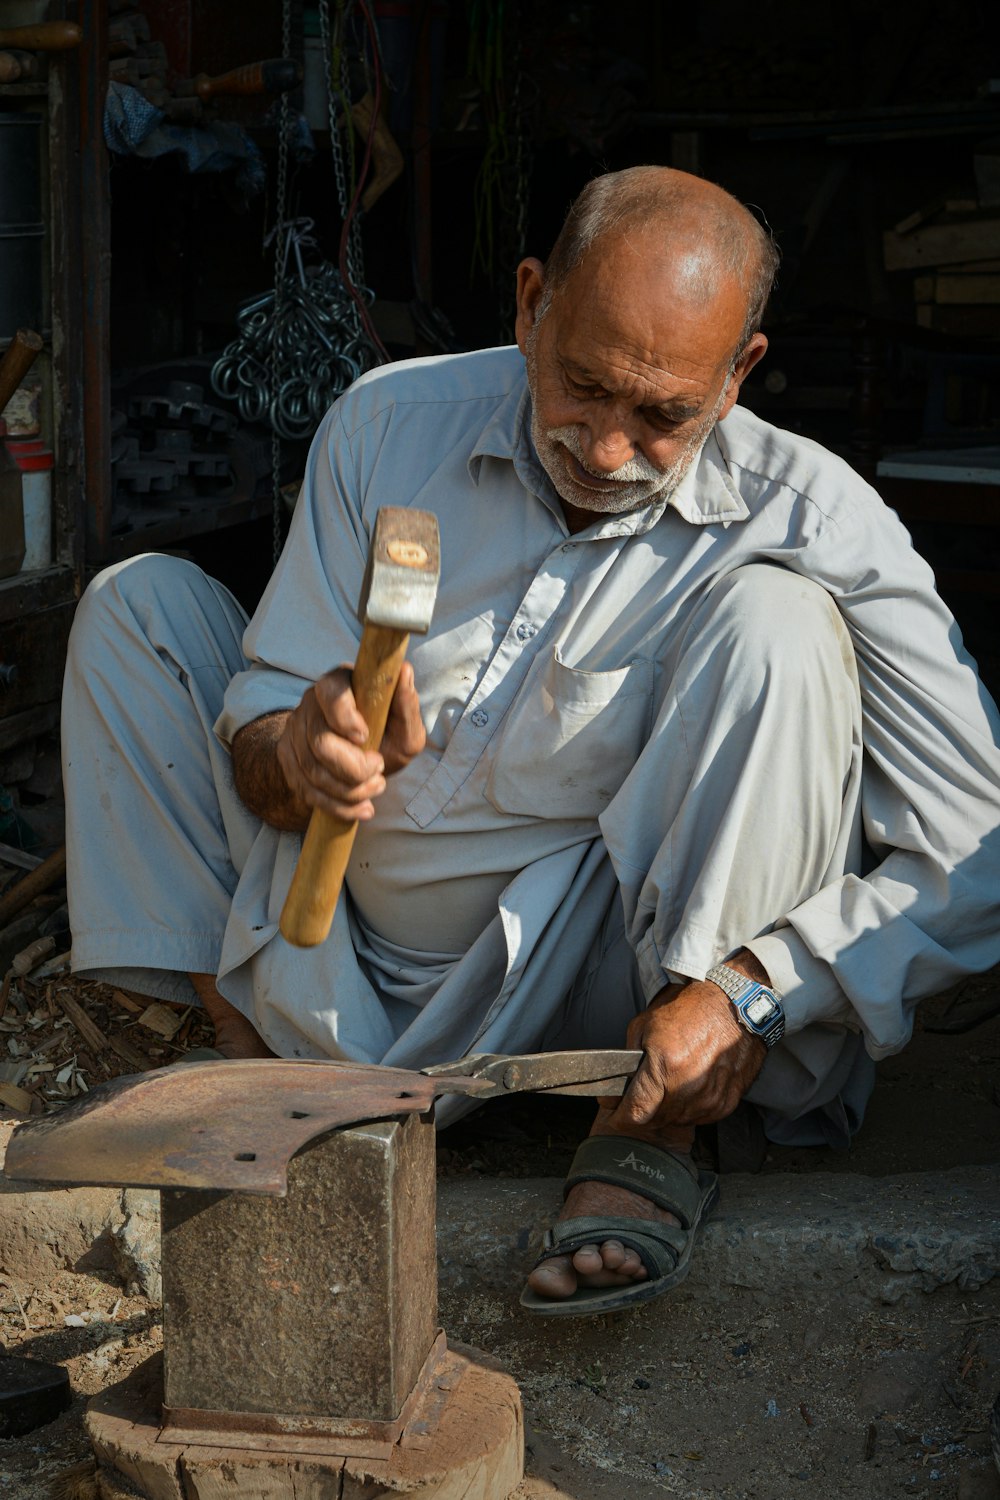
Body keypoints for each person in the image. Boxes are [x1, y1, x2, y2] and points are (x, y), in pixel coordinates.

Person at [62, 166, 1000, 1316]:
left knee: (781, 625)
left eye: (663, 415)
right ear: (526, 306)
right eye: (583, 387)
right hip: (334, 944)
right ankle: (244, 1043)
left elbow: (976, 855)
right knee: (136, 607)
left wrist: (759, 989)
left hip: (600, 981)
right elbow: (258, 753)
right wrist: (293, 753)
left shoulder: (816, 516)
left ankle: (650, 1134)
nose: (608, 450)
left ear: (739, 372)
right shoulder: (387, 425)